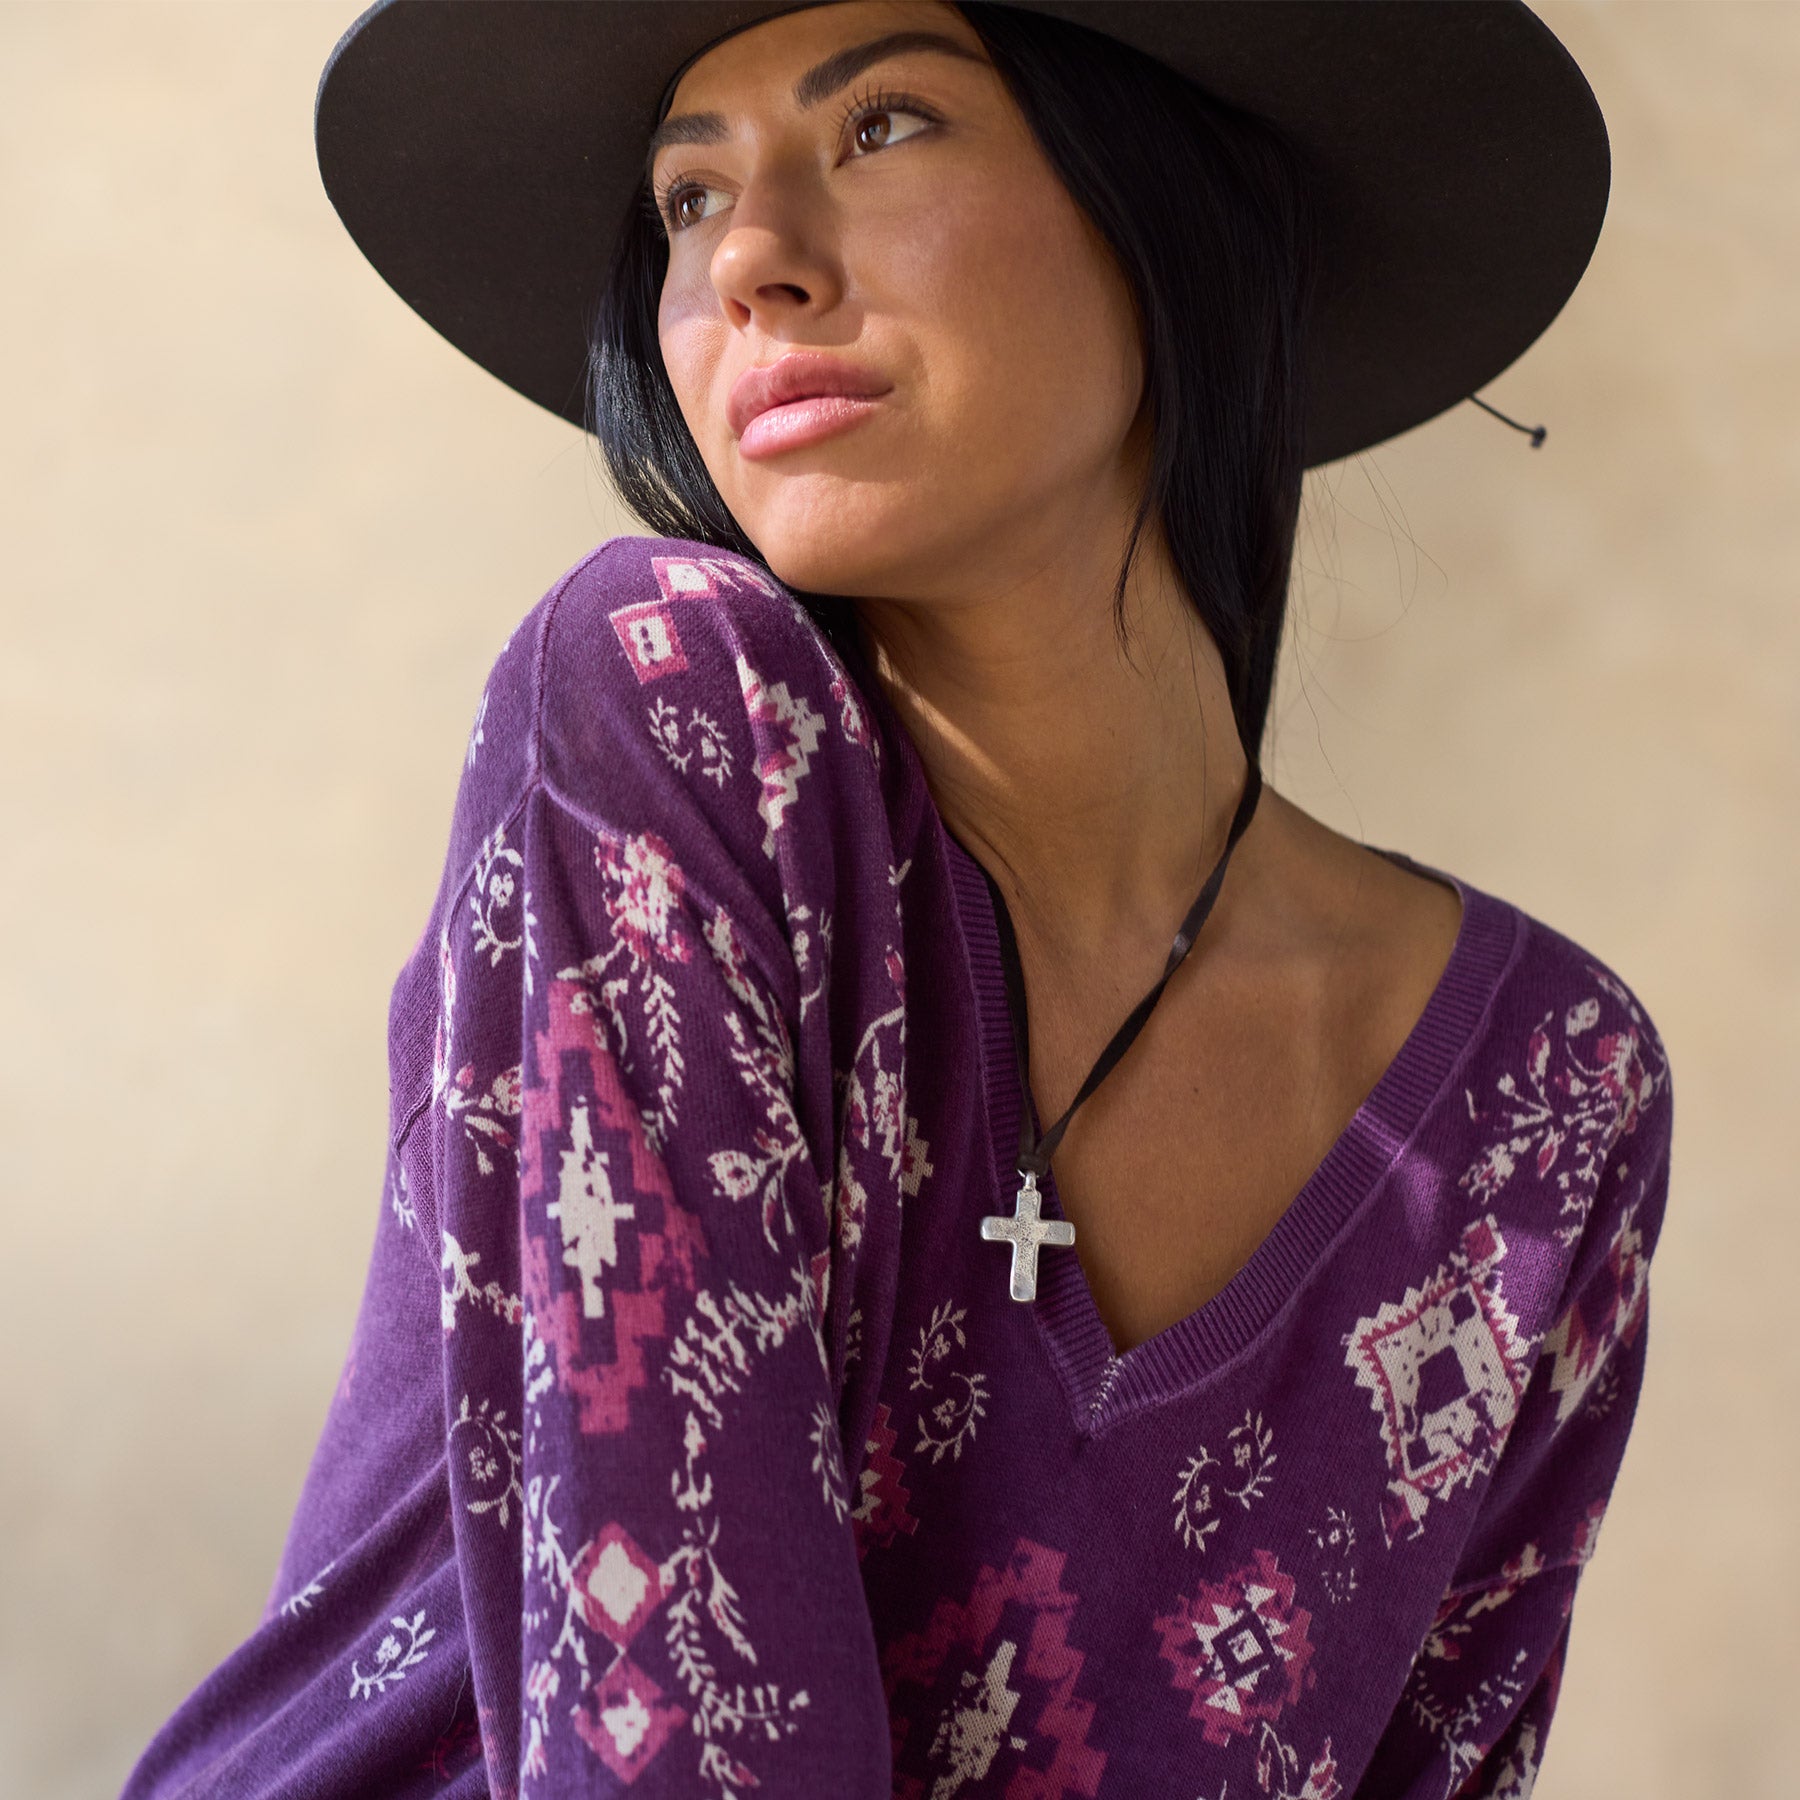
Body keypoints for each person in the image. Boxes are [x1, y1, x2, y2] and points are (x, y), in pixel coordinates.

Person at [123, 2, 1674, 1796]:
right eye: (688, 200)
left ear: (1168, 204)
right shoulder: (666, 703)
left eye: (883, 127)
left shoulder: (1550, 1096)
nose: (750, 260)